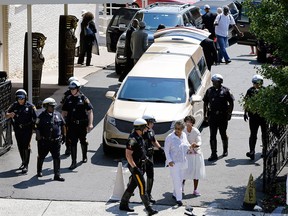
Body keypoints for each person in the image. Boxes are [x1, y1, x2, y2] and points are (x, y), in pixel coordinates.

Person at [119, 118, 158, 215]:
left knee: (133, 185)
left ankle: (123, 204)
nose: (146, 129)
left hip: (141, 165)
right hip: (136, 167)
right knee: (142, 186)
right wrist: (135, 168)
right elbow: (128, 155)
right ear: (140, 128)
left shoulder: (140, 137)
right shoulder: (132, 140)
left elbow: (142, 151)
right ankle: (149, 209)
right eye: (145, 127)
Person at [61, 80, 94, 170]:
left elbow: (90, 111)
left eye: (73, 89)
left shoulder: (84, 99)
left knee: (83, 141)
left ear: (78, 89)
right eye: (71, 89)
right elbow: (64, 112)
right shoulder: (68, 99)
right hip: (72, 125)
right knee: (73, 143)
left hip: (82, 125)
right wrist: (62, 123)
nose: (72, 90)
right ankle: (73, 162)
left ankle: (84, 156)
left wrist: (90, 124)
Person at [203, 74, 234, 161]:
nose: (213, 83)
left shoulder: (226, 91)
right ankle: (213, 153)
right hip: (212, 116)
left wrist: (229, 113)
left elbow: (231, 102)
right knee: (212, 135)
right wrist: (205, 114)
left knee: (223, 133)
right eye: (213, 81)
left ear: (220, 82)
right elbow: (205, 103)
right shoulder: (209, 91)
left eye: (215, 81)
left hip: (222, 116)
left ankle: (225, 150)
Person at [6, 89, 37, 174]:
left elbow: (35, 118)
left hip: (27, 129)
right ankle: (23, 162)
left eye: (22, 98)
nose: (20, 100)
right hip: (17, 128)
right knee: (20, 146)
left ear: (25, 98)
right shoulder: (14, 105)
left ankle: (26, 165)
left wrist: (36, 129)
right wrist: (9, 115)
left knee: (26, 146)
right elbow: (6, 114)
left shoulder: (30, 106)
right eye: (19, 98)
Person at [35, 98, 65, 181]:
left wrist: (64, 135)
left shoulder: (58, 114)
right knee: (41, 156)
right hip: (44, 141)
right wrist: (39, 138)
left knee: (56, 157)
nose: (53, 108)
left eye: (54, 106)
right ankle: (39, 171)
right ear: (46, 106)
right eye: (51, 106)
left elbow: (62, 125)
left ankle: (57, 175)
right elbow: (37, 128)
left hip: (56, 141)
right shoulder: (41, 116)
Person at [164, 120, 192, 206]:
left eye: (179, 129)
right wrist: (169, 161)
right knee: (176, 180)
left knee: (180, 180)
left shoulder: (183, 135)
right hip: (174, 163)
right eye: (176, 128)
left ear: (183, 129)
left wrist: (190, 147)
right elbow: (166, 150)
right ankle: (179, 199)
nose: (177, 130)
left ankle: (175, 194)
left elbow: (186, 144)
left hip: (183, 161)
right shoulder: (170, 137)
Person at [244, 75, 267, 160]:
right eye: (254, 83)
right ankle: (252, 151)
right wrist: (245, 112)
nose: (255, 84)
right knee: (253, 134)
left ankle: (264, 150)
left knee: (264, 134)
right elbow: (246, 101)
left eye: (257, 83)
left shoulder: (265, 91)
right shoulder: (250, 91)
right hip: (253, 117)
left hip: (263, 116)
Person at [142, 114, 164, 204]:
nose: (153, 124)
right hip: (142, 157)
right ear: (146, 122)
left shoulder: (151, 131)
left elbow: (153, 141)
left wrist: (160, 148)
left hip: (150, 156)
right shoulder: (140, 132)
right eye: (151, 122)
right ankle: (130, 187)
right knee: (139, 174)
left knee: (150, 176)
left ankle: (148, 194)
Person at [182, 115, 205, 196]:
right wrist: (189, 146)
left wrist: (196, 145)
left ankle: (195, 190)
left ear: (192, 123)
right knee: (184, 171)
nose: (188, 123)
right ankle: (181, 188)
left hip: (196, 154)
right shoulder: (183, 131)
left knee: (196, 172)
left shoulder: (196, 131)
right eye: (186, 121)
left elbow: (199, 141)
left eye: (190, 122)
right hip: (186, 153)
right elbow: (183, 141)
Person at [60, 76, 79, 156]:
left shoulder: (80, 95)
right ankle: (68, 148)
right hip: (68, 117)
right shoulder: (67, 95)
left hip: (77, 117)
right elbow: (63, 105)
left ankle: (71, 147)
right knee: (67, 134)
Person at [118, 19, 139, 83]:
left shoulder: (130, 30)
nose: (137, 25)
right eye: (136, 23)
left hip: (129, 51)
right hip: (130, 51)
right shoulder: (131, 31)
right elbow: (130, 42)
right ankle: (122, 78)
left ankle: (123, 78)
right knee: (128, 66)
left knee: (129, 66)